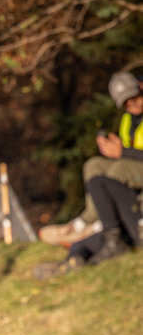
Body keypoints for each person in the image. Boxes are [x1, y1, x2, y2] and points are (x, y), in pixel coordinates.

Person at [39, 71, 143, 246]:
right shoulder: (128, 119)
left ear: (141, 88)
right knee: (94, 165)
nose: (131, 104)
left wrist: (123, 153)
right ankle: (85, 222)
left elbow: (126, 157)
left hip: (133, 168)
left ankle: (97, 226)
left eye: (133, 97)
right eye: (125, 102)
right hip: (133, 167)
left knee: (119, 169)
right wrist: (111, 149)